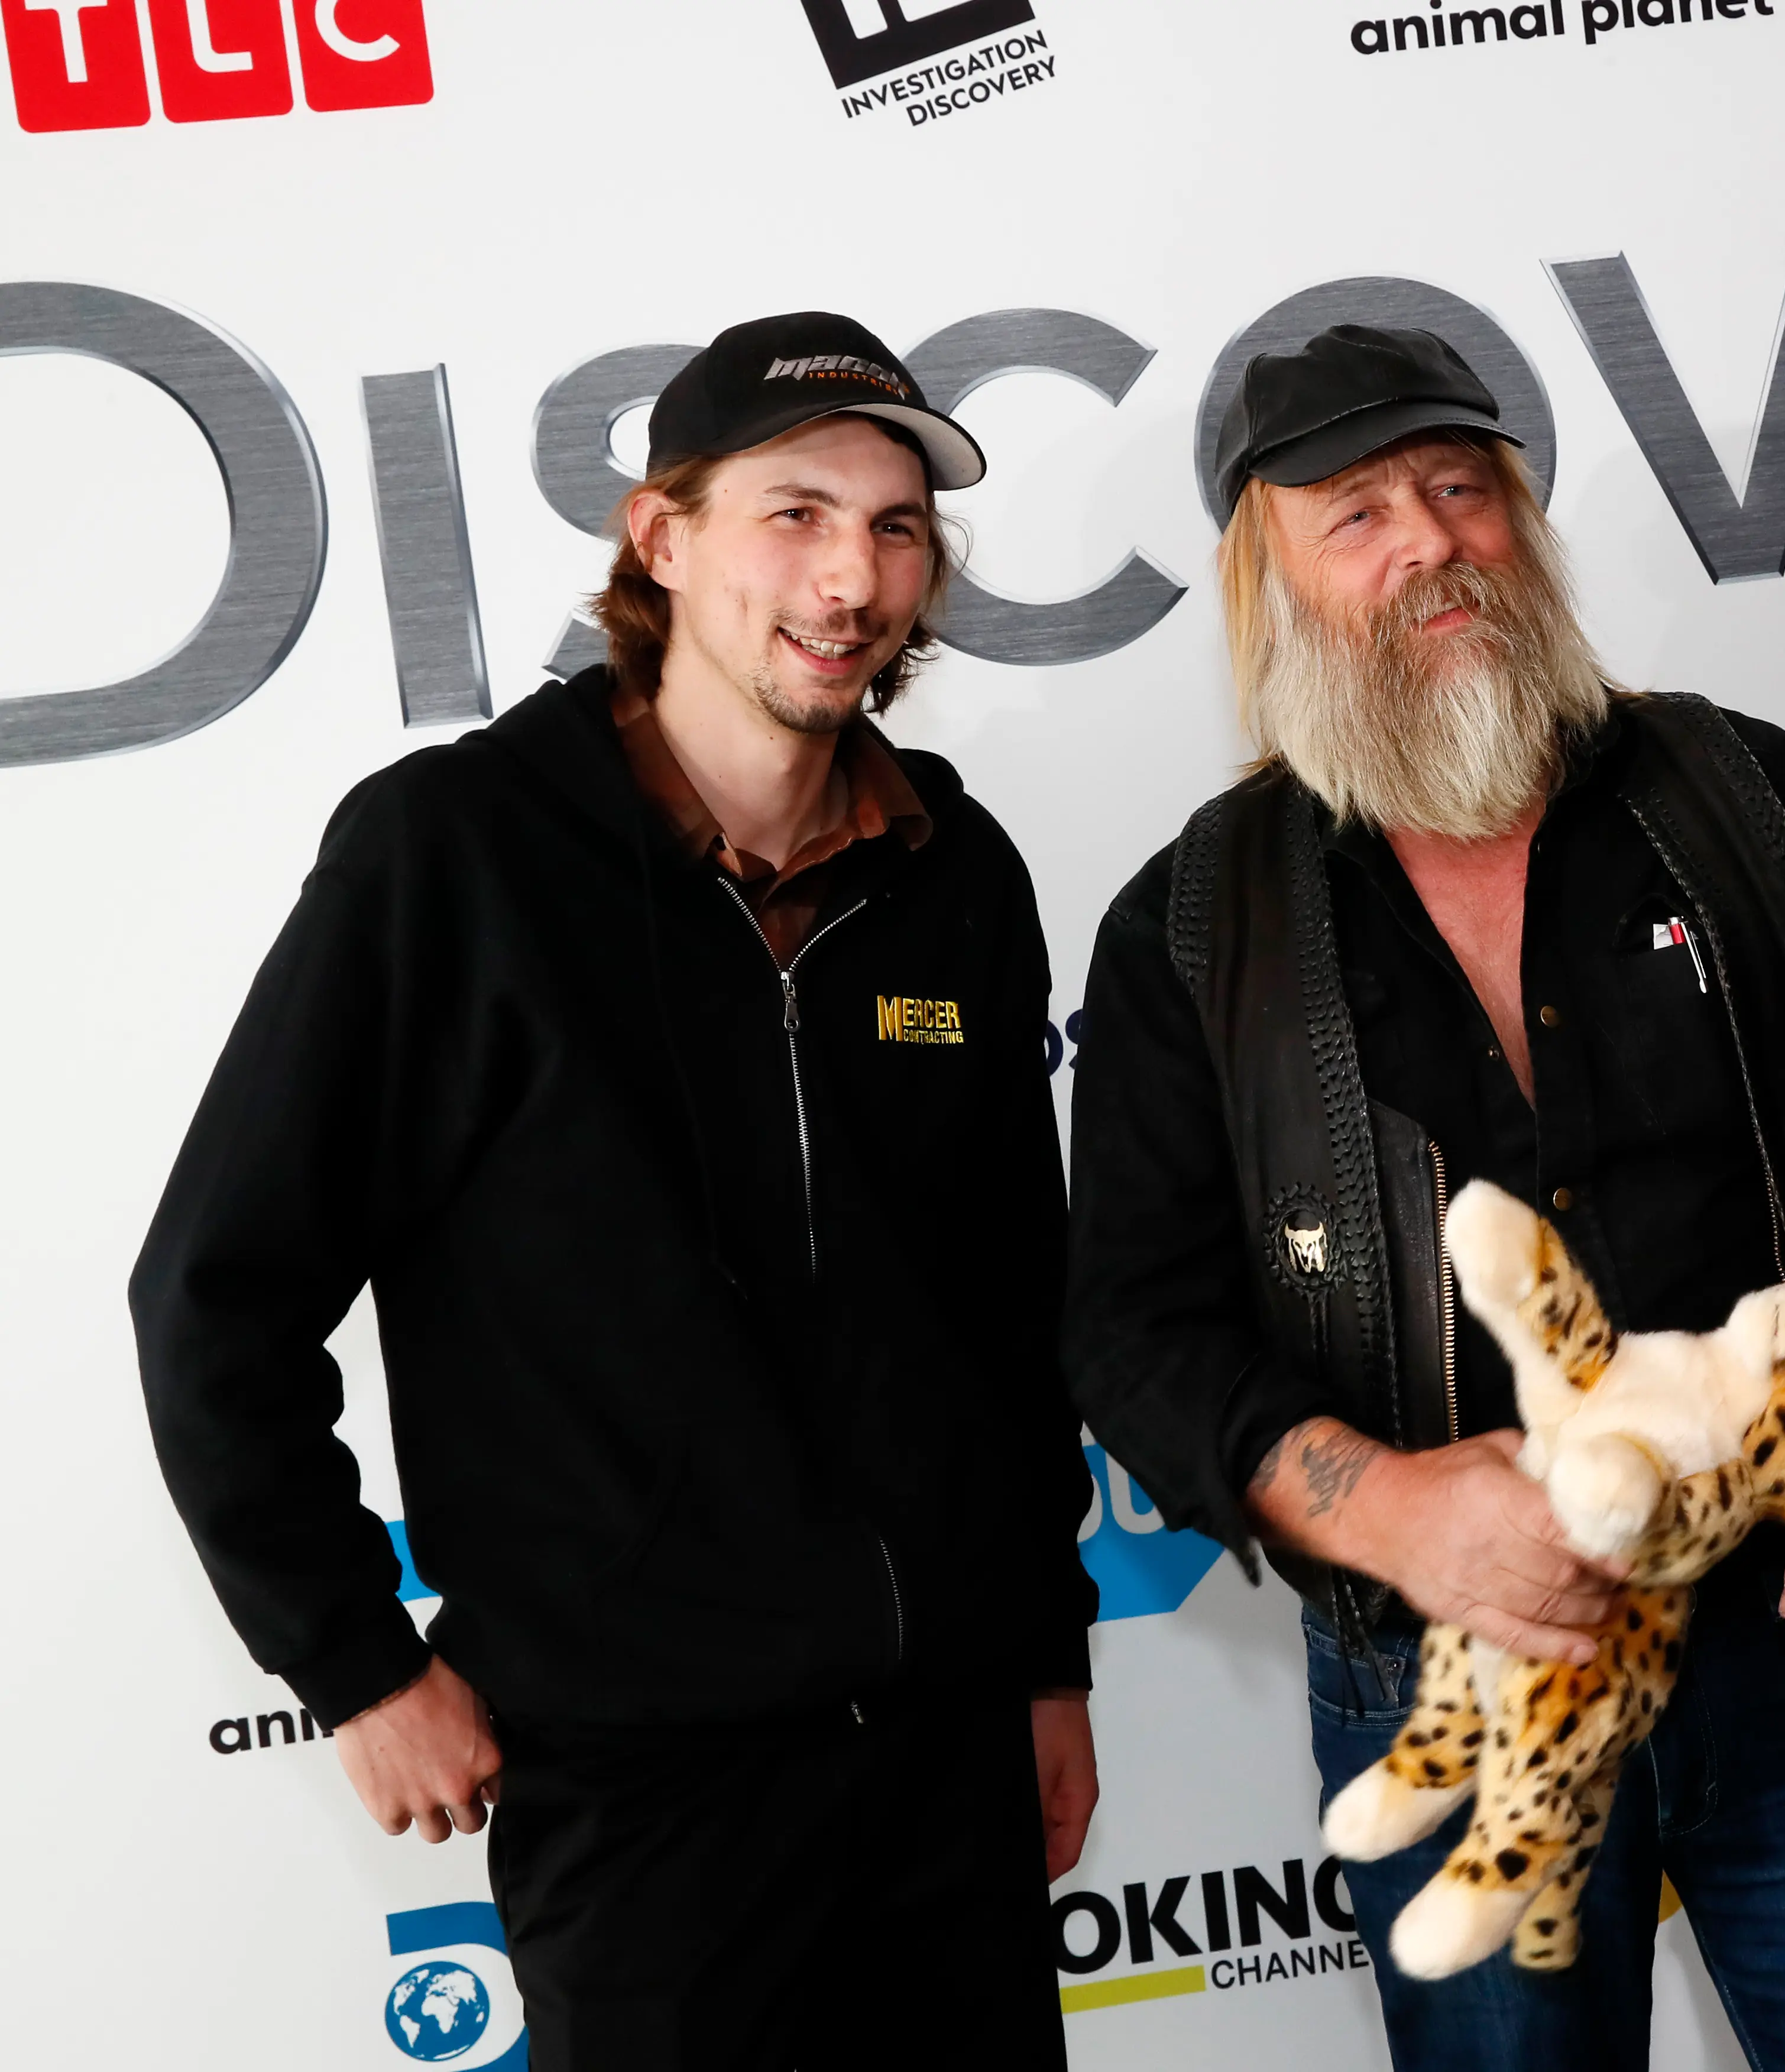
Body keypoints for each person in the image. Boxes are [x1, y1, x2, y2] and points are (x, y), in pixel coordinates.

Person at [1066, 323, 1785, 2070]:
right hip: (1447, 1685)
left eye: (1459, 490)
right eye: (1357, 512)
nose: (1428, 542)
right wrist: (1383, 1508)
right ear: (1270, 584)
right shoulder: (1192, 925)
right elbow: (1134, 1326)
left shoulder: (1740, 795)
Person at [131, 312, 1099, 2070]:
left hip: (948, 1760)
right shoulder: (457, 853)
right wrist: (353, 1657)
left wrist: (1044, 1660)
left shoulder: (957, 872)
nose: (851, 576)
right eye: (793, 514)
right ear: (663, 540)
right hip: (646, 1791)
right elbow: (216, 1294)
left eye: (894, 528)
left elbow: (1007, 1312)